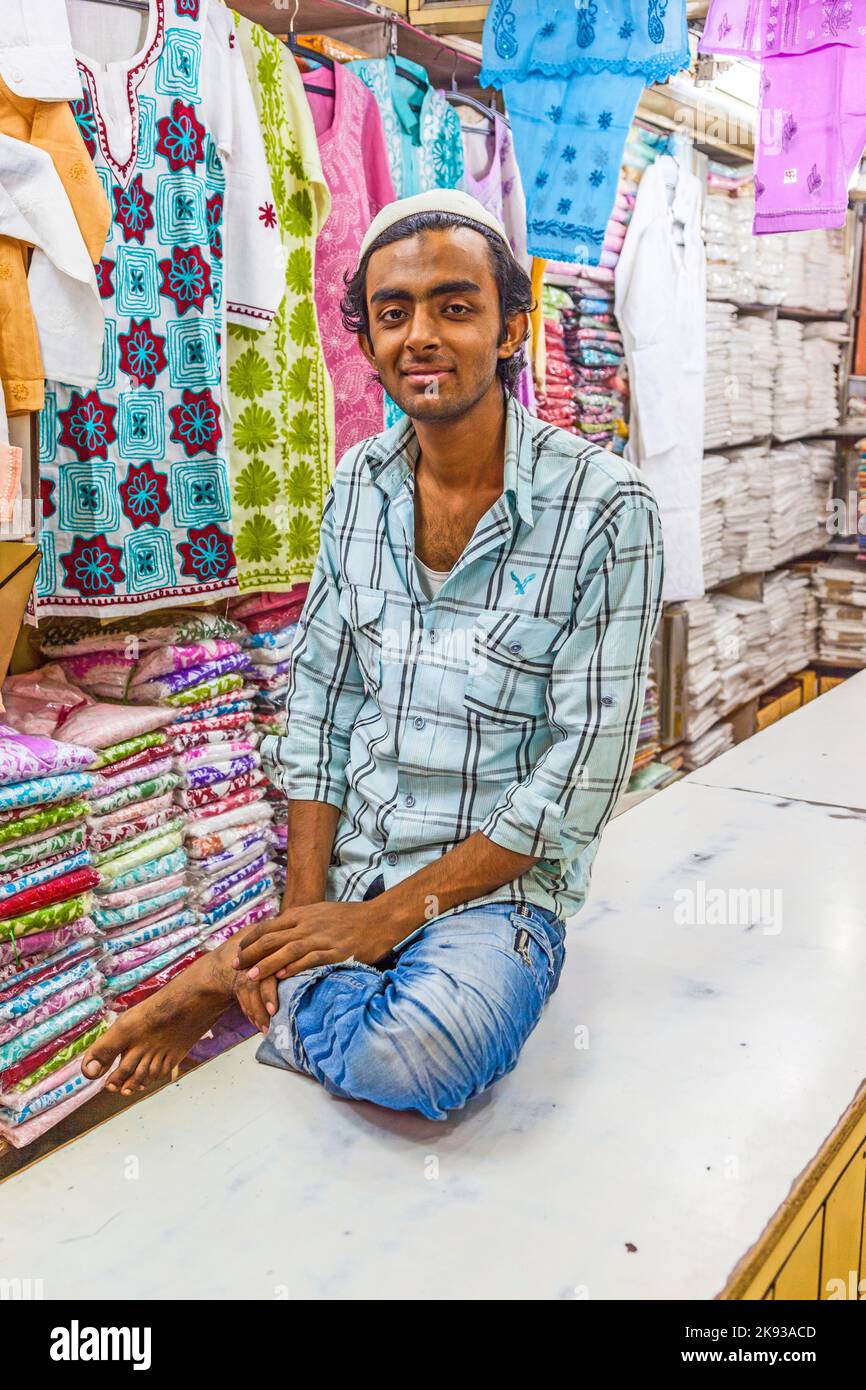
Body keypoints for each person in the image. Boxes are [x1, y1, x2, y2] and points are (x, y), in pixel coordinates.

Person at [83, 189, 663, 1120]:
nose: (420, 336)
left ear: (513, 329)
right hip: (355, 868)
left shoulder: (606, 508)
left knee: (416, 1061)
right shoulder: (360, 482)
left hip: (494, 897)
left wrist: (383, 924)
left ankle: (219, 983)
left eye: (455, 307)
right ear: (369, 339)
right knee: (387, 1035)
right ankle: (269, 976)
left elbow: (583, 774)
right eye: (393, 314)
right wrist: (309, 921)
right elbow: (319, 701)